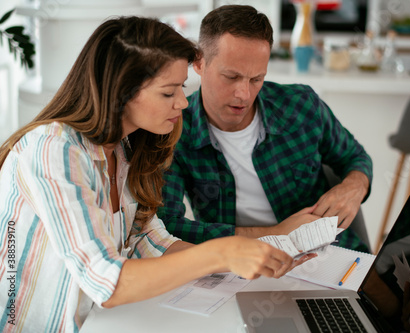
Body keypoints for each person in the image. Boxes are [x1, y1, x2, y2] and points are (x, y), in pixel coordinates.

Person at [0, 16, 314, 332]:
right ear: (122, 91)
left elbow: (150, 240)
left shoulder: (123, 151)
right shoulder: (53, 150)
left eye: (181, 88)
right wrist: (222, 251)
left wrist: (238, 262)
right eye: (168, 92)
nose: (182, 102)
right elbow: (107, 282)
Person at [158, 5, 373, 252]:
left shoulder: (302, 105)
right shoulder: (174, 131)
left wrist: (353, 186)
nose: (244, 94)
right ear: (198, 63)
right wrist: (276, 235)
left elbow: (355, 156)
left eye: (256, 79)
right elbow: (169, 225)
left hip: (328, 252)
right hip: (239, 261)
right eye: (231, 77)